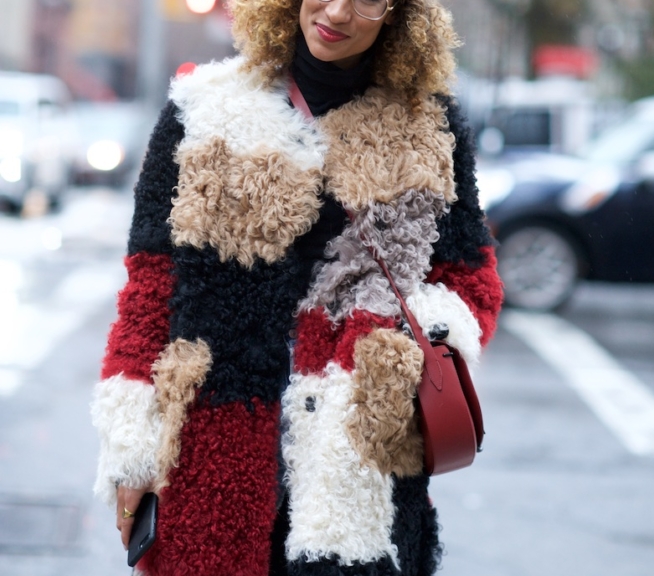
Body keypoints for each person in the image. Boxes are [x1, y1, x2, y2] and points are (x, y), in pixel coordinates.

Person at [90, 0, 504, 572]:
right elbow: (150, 287)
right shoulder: (204, 108)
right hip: (213, 441)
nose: (336, 11)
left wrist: (402, 350)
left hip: (356, 457)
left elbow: (470, 278)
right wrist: (130, 452)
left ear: (399, 14)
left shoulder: (428, 126)